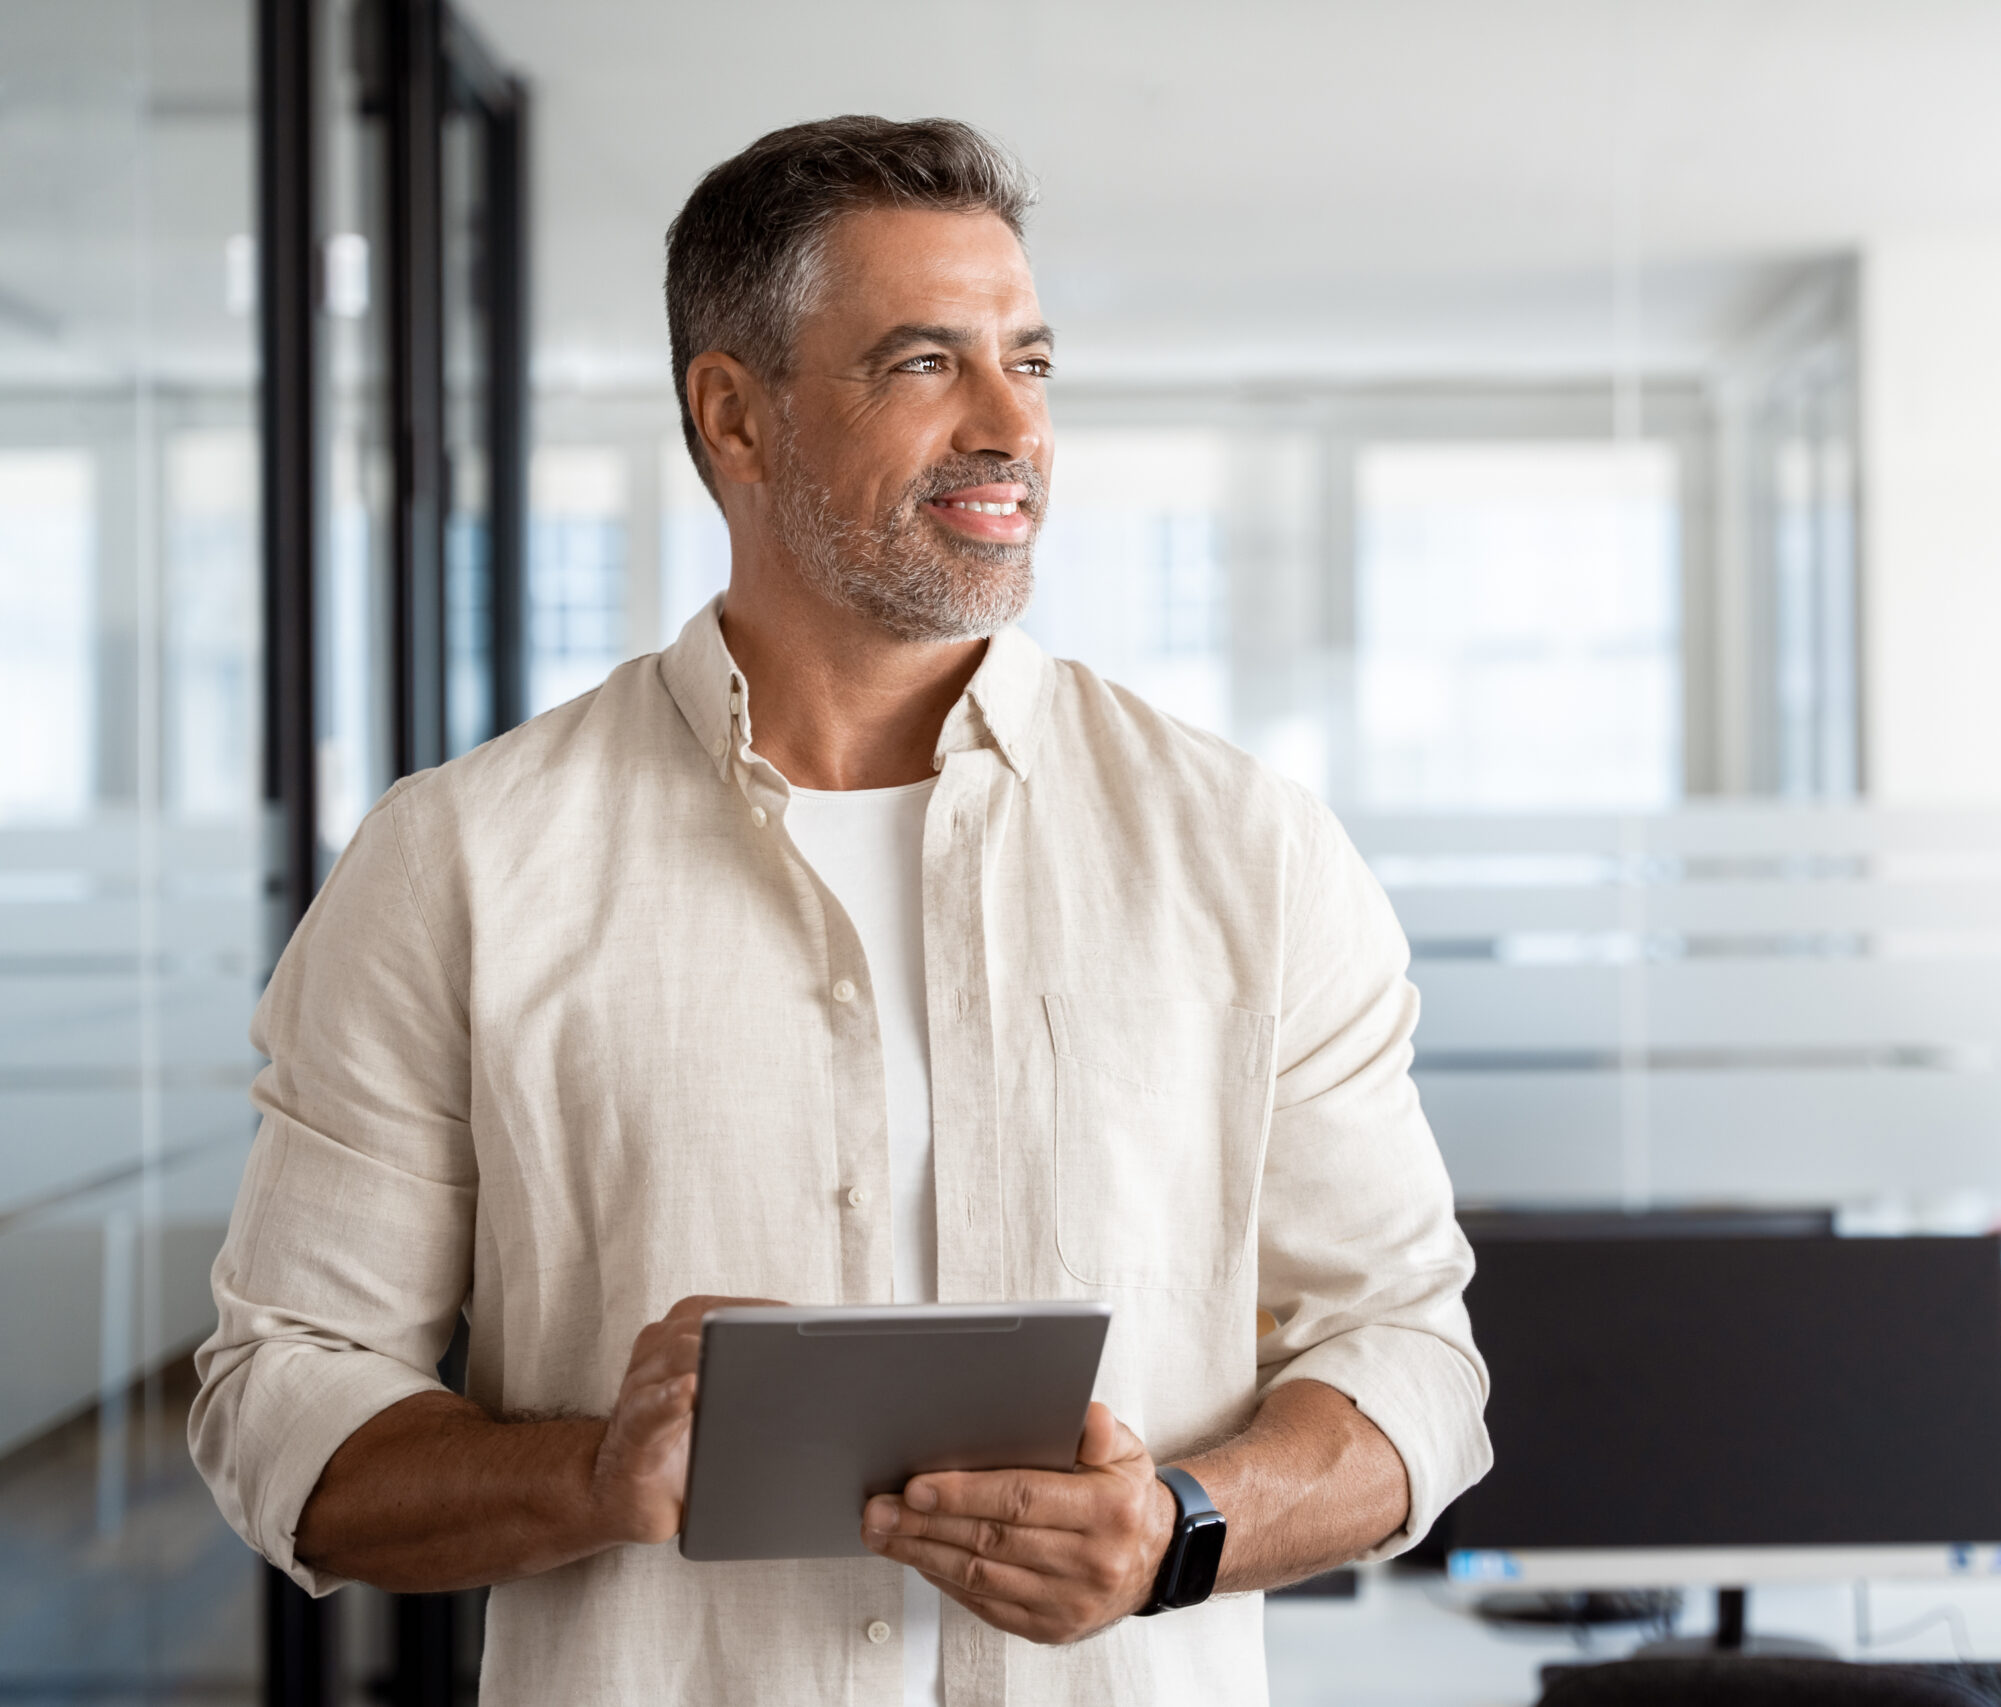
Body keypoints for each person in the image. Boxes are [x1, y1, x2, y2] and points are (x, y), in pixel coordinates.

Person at [188, 115, 1491, 1705]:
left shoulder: (1250, 853)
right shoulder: (457, 863)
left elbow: (1413, 1363)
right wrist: (594, 1473)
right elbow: (281, 1405)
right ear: (733, 415)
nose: (1012, 425)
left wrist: (1178, 1528)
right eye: (925, 364)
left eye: (1032, 360)